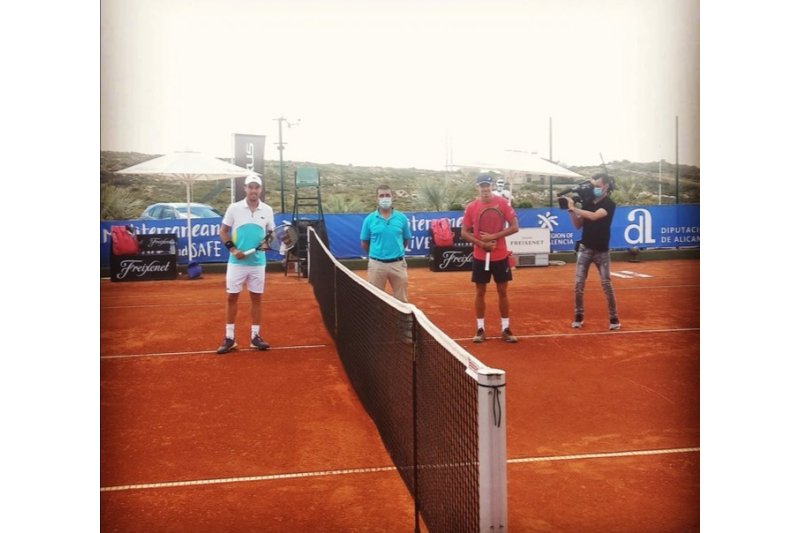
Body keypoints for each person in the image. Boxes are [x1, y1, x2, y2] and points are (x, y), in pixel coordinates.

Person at [216, 174, 276, 354]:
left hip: (258, 263)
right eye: (250, 187)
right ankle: (229, 338)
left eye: (256, 187)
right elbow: (223, 231)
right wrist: (233, 250)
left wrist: (267, 243)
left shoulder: (267, 210)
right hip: (236, 263)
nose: (253, 190)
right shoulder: (234, 208)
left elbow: (271, 233)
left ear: (260, 189)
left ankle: (255, 337)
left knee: (256, 298)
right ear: (245, 189)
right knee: (231, 297)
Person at [461, 173, 520, 343]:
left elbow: (515, 227)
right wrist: (482, 243)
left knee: (503, 292)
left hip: (500, 255)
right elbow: (464, 233)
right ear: (477, 187)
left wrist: (494, 236)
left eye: (487, 185)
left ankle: (506, 329)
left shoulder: (502, 203)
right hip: (480, 256)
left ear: (492, 186)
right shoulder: (471, 207)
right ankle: (480, 329)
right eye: (482, 186)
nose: (485, 189)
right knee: (480, 292)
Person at [565, 173, 621, 330]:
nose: (595, 189)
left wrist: (574, 207)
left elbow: (595, 216)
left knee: (606, 284)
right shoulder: (588, 202)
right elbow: (578, 225)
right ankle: (578, 316)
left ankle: (614, 318)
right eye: (594, 186)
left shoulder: (610, 204)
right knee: (578, 284)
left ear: (606, 186)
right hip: (585, 248)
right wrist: (571, 211)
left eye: (598, 186)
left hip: (602, 251)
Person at [360, 184, 412, 302]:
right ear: (376, 198)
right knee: (375, 300)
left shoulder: (402, 218)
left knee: (402, 301)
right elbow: (364, 243)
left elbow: (405, 240)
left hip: (398, 264)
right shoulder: (369, 219)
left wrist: (396, 253)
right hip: (376, 265)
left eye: (387, 195)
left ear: (392, 197)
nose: (385, 198)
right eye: (381, 195)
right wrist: (376, 255)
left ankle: (400, 321)